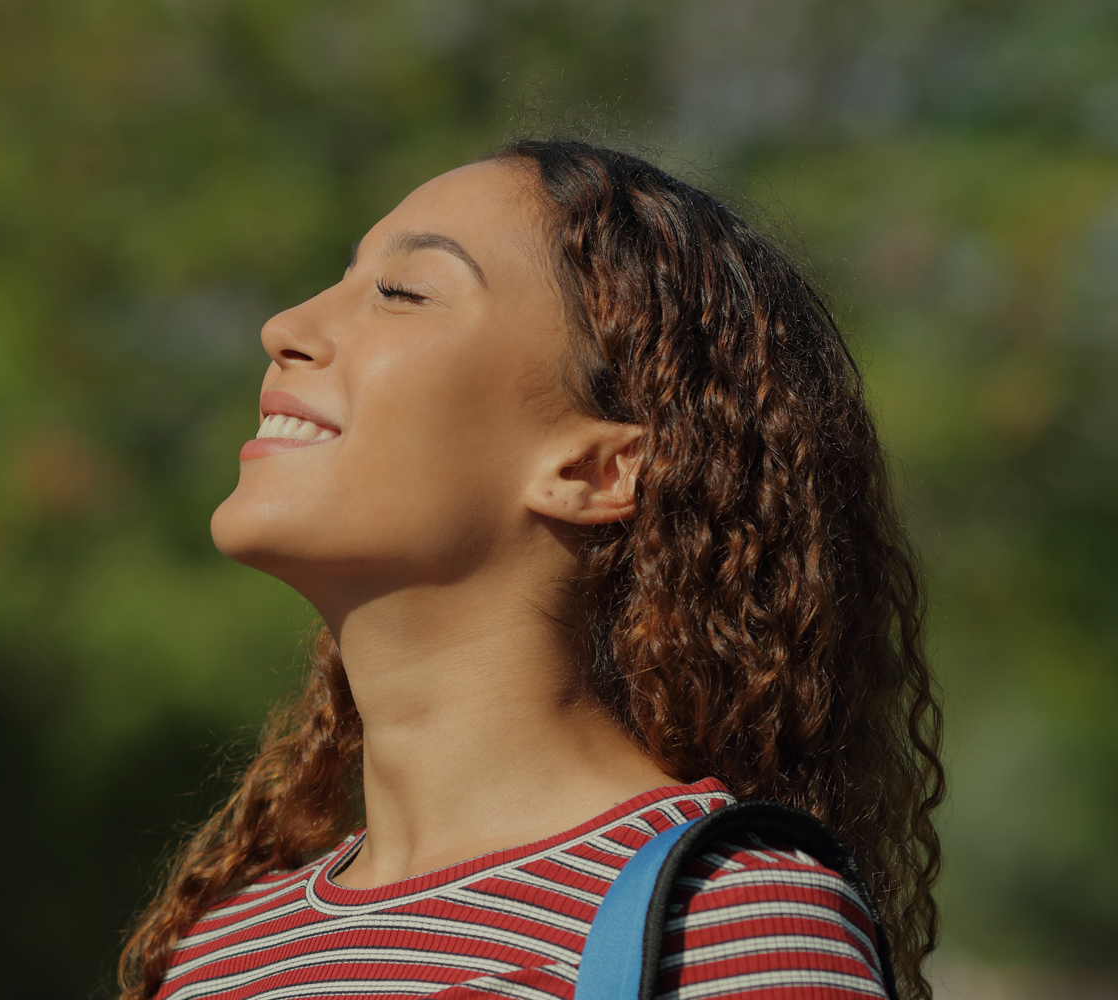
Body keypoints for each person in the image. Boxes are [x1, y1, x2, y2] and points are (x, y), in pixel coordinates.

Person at [116, 140, 944, 1000]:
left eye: (402, 293)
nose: (283, 328)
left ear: (595, 468)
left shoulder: (731, 923)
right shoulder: (217, 953)